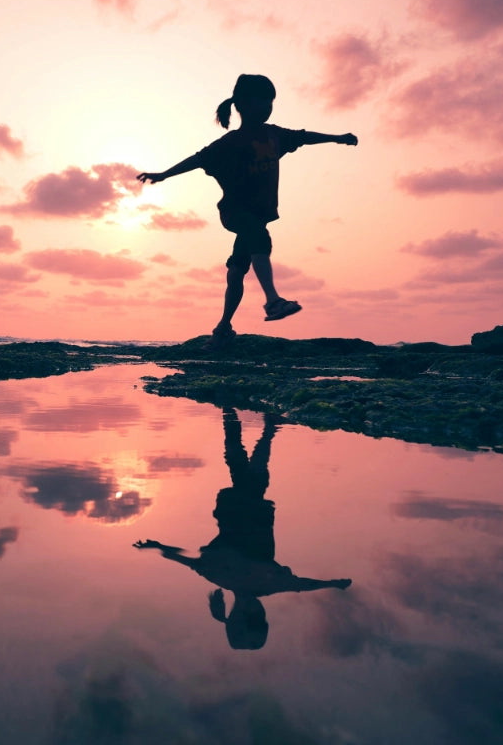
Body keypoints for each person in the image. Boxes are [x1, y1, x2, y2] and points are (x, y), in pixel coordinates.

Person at [136, 74, 357, 348]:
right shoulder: (231, 143)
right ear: (241, 104)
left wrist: (337, 138)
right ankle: (273, 301)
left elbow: (304, 137)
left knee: (238, 270)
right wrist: (163, 175)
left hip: (257, 214)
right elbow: (196, 159)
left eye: (270, 101)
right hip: (235, 212)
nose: (267, 106)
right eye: (260, 101)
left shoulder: (274, 135)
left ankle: (222, 329)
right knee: (259, 237)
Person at [134, 408, 351, 650]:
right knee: (241, 467)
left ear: (241, 615)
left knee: (249, 470)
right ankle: (239, 418)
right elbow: (304, 585)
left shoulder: (234, 578)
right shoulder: (246, 581)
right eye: (260, 617)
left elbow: (188, 561)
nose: (256, 610)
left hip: (243, 509)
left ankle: (261, 425)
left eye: (253, 617)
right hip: (242, 508)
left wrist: (159, 547)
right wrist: (332, 583)